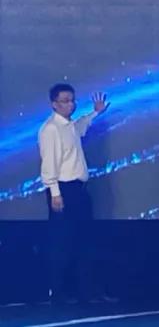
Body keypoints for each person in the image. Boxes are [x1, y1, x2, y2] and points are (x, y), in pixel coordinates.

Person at [38, 83, 113, 304]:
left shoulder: (69, 125)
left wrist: (95, 113)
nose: (70, 105)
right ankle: (59, 293)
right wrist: (55, 193)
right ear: (54, 104)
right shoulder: (51, 129)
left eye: (72, 100)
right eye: (65, 101)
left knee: (84, 240)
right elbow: (48, 164)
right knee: (62, 242)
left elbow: (81, 126)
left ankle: (87, 291)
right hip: (63, 190)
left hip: (78, 190)